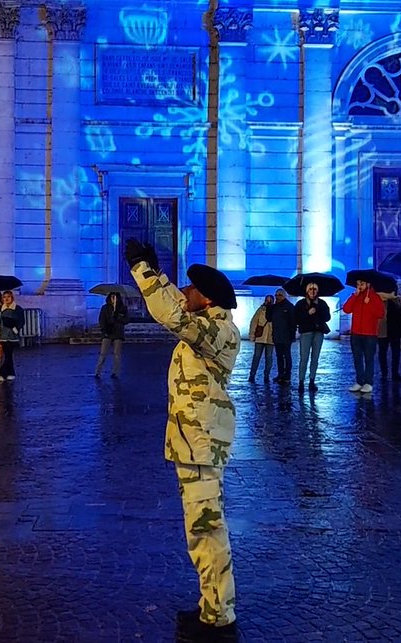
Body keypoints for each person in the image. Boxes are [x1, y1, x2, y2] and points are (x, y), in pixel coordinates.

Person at [123, 239, 240, 639]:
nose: (185, 293)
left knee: (207, 529)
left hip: (203, 442)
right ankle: (212, 607)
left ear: (206, 299)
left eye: (191, 289)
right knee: (200, 529)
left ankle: (220, 617)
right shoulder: (210, 322)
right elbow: (176, 302)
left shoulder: (218, 330)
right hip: (194, 442)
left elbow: (172, 313)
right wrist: (157, 273)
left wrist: (141, 269)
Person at [342, 279, 385, 394]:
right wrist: (354, 296)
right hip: (356, 333)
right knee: (357, 358)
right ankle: (359, 381)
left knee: (369, 358)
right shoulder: (356, 296)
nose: (359, 286)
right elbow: (346, 309)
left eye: (361, 284)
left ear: (368, 284)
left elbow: (380, 313)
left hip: (370, 334)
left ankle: (368, 382)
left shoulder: (374, 297)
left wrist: (369, 303)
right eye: (357, 284)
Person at [294, 283, 331, 392]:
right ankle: (301, 382)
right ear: (307, 290)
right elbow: (296, 319)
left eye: (314, 289)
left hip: (318, 332)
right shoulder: (300, 304)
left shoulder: (322, 303)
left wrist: (318, 310)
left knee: (315, 358)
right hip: (306, 332)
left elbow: (327, 317)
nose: (312, 291)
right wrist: (307, 313)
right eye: (310, 289)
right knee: (304, 358)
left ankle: (312, 381)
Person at [95, 292, 128, 378]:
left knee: (117, 354)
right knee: (103, 353)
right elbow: (101, 320)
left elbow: (126, 320)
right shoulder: (105, 308)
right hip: (108, 333)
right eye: (112, 297)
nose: (114, 299)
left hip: (118, 333)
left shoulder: (123, 308)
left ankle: (115, 372)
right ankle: (97, 372)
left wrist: (118, 317)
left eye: (115, 297)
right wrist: (104, 331)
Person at [269, 289, 296, 385]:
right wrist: (269, 306)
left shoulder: (289, 307)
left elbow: (293, 322)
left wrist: (292, 335)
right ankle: (280, 374)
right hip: (277, 335)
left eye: (279, 295)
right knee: (279, 356)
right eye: (276, 295)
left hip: (286, 335)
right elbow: (269, 318)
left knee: (287, 355)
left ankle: (287, 375)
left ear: (284, 296)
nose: (277, 297)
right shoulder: (275, 307)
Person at [377, 288, 401, 382]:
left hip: (394, 330)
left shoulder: (395, 301)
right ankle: (384, 373)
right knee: (382, 352)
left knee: (395, 353)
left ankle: (395, 373)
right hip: (382, 330)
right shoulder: (378, 301)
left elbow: (400, 312)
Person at [247, 295, 275, 383]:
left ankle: (266, 375)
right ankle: (252, 374)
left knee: (269, 357)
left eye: (270, 300)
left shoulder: (275, 311)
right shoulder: (261, 310)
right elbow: (254, 321)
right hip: (260, 337)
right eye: (267, 300)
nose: (268, 302)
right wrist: (252, 334)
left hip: (270, 337)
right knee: (257, 356)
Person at [0, 290, 22, 381]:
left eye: (8, 297)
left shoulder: (17, 309)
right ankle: (10, 373)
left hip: (12, 336)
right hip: (3, 335)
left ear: (12, 298)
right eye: (4, 297)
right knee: (7, 355)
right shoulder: (0, 309)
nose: (6, 299)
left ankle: (2, 373)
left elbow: (21, 321)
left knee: (8, 355)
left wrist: (15, 328)